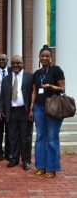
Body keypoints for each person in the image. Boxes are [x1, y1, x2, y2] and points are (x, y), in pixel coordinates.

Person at [30, 45, 65, 178]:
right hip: (39, 108)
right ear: (39, 57)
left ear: (51, 58)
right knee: (40, 137)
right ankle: (41, 166)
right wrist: (31, 108)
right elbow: (34, 92)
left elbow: (62, 89)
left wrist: (51, 86)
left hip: (53, 108)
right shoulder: (37, 74)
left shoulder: (57, 70)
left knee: (52, 138)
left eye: (47, 56)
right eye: (42, 56)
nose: (44, 58)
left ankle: (52, 168)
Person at [0, 55, 33, 170]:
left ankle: (26, 160)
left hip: (24, 111)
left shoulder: (29, 76)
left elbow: (33, 94)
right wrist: (0, 110)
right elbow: (2, 97)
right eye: (13, 63)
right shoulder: (6, 79)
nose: (15, 65)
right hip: (11, 112)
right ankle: (14, 159)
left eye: (18, 63)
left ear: (23, 64)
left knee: (25, 138)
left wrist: (32, 109)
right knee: (12, 137)